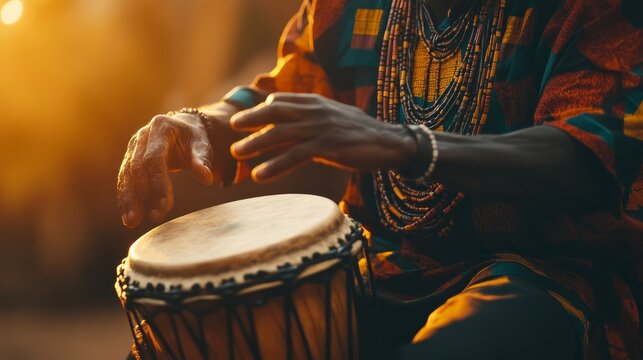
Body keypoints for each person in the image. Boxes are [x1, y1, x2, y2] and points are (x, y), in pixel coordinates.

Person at [116, 0, 643, 358]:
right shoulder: (345, 8)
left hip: (552, 279)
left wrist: (404, 145)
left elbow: (591, 155)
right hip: (374, 267)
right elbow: (281, 97)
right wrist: (198, 124)